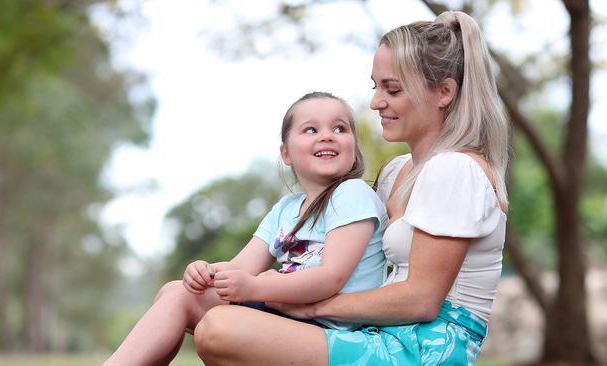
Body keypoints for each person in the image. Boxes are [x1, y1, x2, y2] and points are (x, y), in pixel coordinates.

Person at [193, 10, 509, 366]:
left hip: (426, 347)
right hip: (378, 331)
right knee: (195, 304)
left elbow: (422, 300)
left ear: (444, 92)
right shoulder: (397, 172)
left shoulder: (457, 170)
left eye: (393, 89)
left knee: (220, 329)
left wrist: (313, 306)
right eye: (376, 87)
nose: (376, 102)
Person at [103, 91, 389, 365]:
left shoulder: (352, 194)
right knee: (178, 293)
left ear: (354, 148)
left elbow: (331, 278)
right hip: (287, 315)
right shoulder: (286, 209)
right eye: (311, 130)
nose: (327, 135)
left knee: (192, 302)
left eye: (340, 128)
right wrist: (207, 272)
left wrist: (256, 287)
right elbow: (240, 269)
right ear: (286, 153)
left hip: (333, 331)